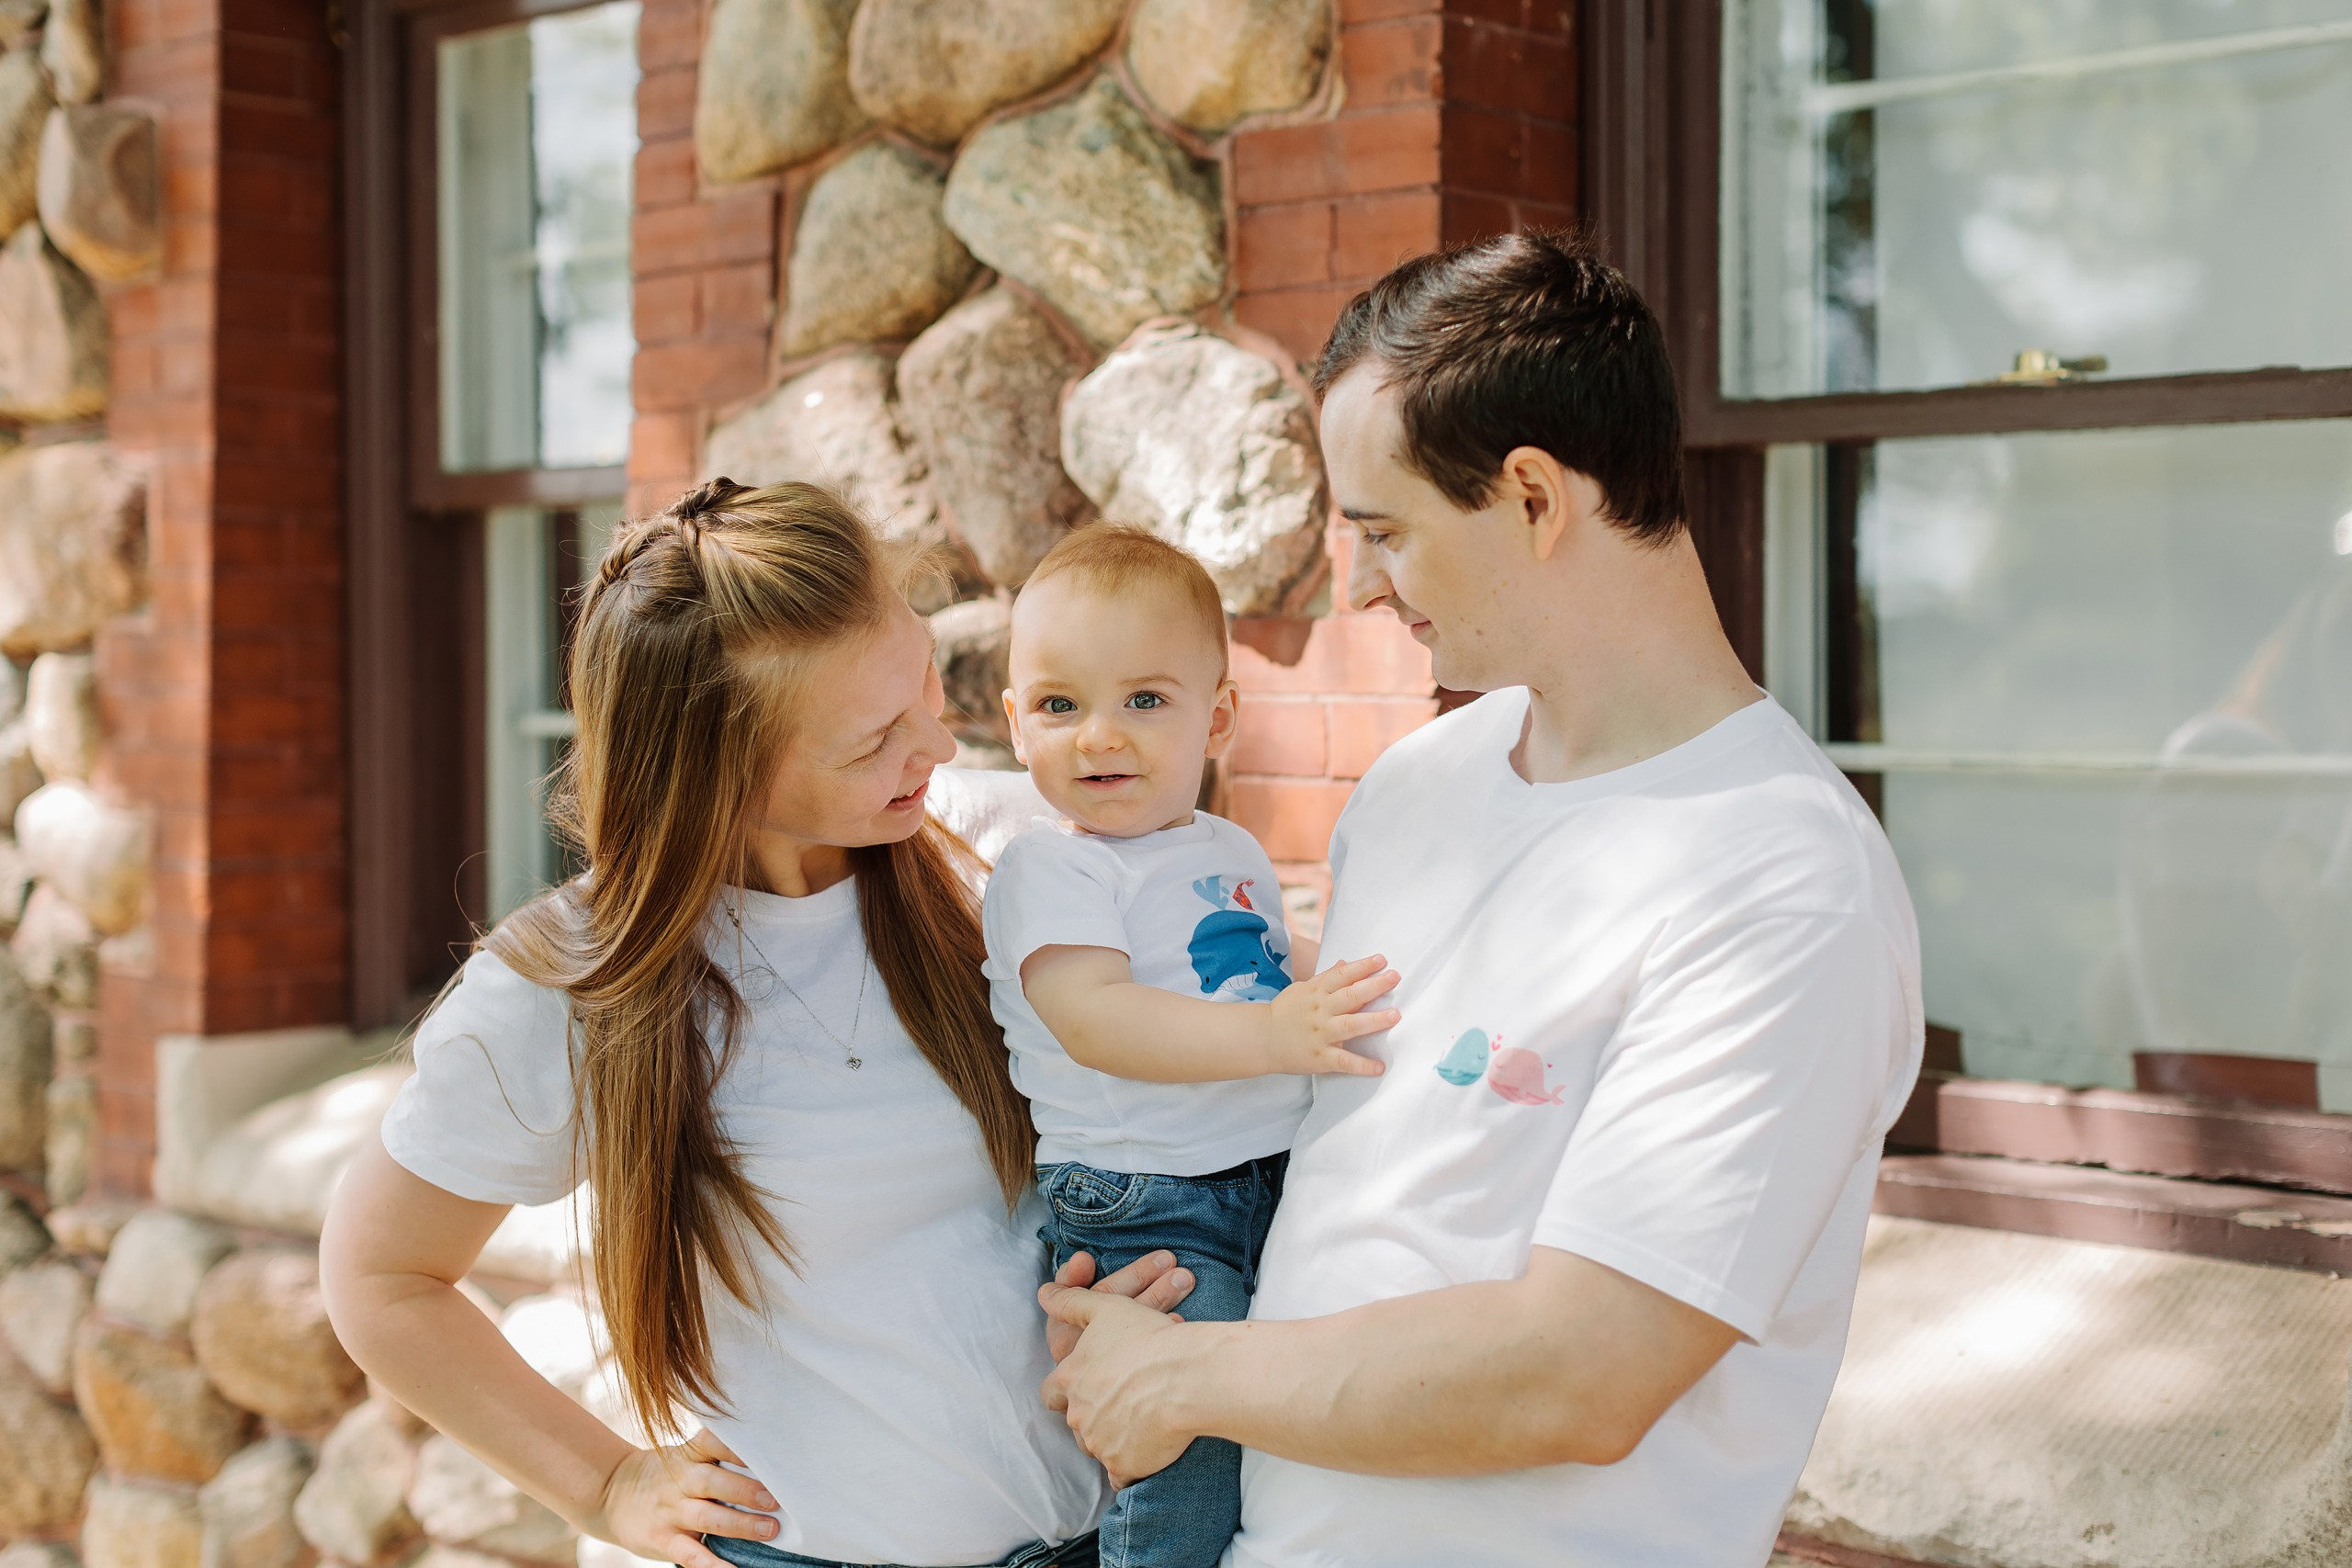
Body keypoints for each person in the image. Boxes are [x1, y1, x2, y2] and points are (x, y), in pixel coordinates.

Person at [1036, 231, 1925, 1567]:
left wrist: (1185, 1375)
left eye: (1385, 529)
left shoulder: (1785, 880)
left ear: (1530, 495)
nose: (1366, 582)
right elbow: (1365, 1186)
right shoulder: (1417, 784)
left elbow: (1583, 1366)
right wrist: (1155, 1287)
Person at [319, 480, 1196, 1568]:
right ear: (717, 777)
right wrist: (606, 1484)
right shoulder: (572, 986)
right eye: (874, 739)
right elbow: (381, 1279)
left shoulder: (1015, 851)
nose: (937, 742)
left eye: (926, 680)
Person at [983, 525, 1400, 1568]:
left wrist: (1337, 977)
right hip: (1154, 1204)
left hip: (1267, 1176)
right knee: (1188, 1448)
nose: (1099, 736)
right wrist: (1271, 1035)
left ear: (1217, 717)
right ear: (1015, 724)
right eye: (1060, 705)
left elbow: (1268, 956)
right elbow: (1099, 1019)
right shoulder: (1052, 871)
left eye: (1145, 700)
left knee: (1301, 1421)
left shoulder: (1228, 847)